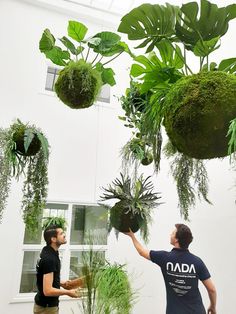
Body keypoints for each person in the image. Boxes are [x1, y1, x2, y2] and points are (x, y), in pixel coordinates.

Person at [124, 223, 217, 314]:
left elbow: (141, 251)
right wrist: (212, 306)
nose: (170, 234)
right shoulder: (197, 262)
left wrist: (132, 236)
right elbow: (211, 289)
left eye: (172, 233)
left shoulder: (164, 258)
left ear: (176, 240)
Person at [34, 224, 81, 314]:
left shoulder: (47, 251)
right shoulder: (49, 259)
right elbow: (47, 291)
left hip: (43, 305)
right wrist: (68, 292)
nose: (65, 235)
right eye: (61, 233)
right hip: (46, 308)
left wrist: (60, 283)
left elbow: (43, 278)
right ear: (53, 239)